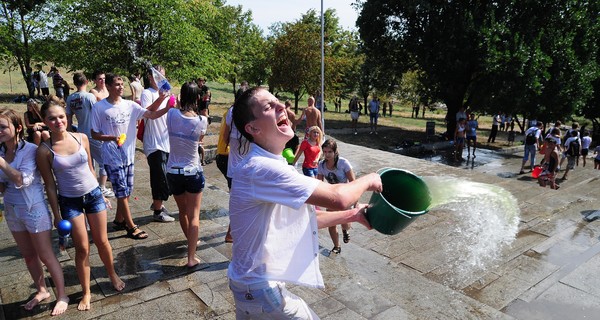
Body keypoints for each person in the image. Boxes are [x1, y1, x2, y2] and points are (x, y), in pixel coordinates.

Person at [228, 87, 382, 319]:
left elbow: (305, 219)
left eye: (278, 102)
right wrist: (370, 179)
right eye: (269, 107)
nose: (282, 107)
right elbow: (339, 197)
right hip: (259, 287)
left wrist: (353, 216)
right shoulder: (261, 168)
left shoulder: (269, 164)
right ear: (253, 128)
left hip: (248, 285)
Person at [36, 99, 125, 311]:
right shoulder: (44, 151)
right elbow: (49, 186)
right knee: (82, 248)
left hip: (93, 195)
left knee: (103, 241)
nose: (58, 121)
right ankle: (86, 291)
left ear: (67, 117)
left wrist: (101, 194)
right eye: (52, 118)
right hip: (70, 202)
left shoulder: (81, 137)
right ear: (45, 121)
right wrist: (57, 216)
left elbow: (90, 169)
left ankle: (112, 274)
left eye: (61, 116)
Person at [0, 108, 69, 316]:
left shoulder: (30, 150)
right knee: (29, 256)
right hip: (12, 210)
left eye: (3, 127)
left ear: (18, 127)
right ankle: (41, 290)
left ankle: (63, 295)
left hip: (34, 209)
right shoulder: (2, 152)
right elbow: (5, 186)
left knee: (46, 255)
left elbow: (24, 180)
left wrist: (2, 164)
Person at [91, 73, 171, 239]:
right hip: (112, 156)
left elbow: (151, 114)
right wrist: (112, 138)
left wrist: (167, 105)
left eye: (122, 84)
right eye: (117, 84)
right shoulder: (100, 108)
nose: (121, 87)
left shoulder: (130, 105)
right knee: (121, 191)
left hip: (128, 155)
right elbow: (94, 134)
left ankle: (119, 220)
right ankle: (131, 226)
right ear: (109, 87)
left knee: (127, 191)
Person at [165, 82, 208, 267]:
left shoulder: (172, 114)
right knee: (194, 215)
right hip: (192, 172)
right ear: (198, 98)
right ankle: (191, 257)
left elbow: (171, 104)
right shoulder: (201, 121)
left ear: (181, 96)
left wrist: (174, 99)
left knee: (182, 211)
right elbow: (200, 139)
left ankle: (190, 239)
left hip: (173, 171)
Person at [66, 72, 114, 198]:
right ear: (87, 82)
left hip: (81, 133)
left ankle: (90, 186)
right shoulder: (89, 97)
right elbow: (99, 113)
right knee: (104, 161)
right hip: (93, 133)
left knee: (89, 162)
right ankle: (102, 188)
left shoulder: (70, 98)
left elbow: (69, 118)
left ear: (75, 83)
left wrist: (70, 132)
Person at [141, 66, 174, 222]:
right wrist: (161, 98)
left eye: (163, 76)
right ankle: (157, 212)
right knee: (159, 176)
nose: (160, 79)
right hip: (153, 142)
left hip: (166, 140)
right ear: (150, 77)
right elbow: (146, 113)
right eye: (157, 76)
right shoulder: (147, 93)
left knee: (165, 176)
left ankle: (157, 204)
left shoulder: (167, 94)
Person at [317, 139, 356, 254]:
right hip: (332, 196)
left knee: (344, 221)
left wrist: (355, 200)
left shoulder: (343, 163)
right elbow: (319, 183)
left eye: (330, 152)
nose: (327, 154)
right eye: (325, 152)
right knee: (331, 222)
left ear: (335, 152)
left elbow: (353, 181)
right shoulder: (321, 165)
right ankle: (336, 246)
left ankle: (345, 231)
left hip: (345, 196)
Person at [216, 107, 234, 243]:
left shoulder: (228, 111)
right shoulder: (238, 113)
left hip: (221, 155)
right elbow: (226, 137)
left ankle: (231, 232)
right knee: (237, 196)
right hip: (228, 156)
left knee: (235, 194)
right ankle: (230, 233)